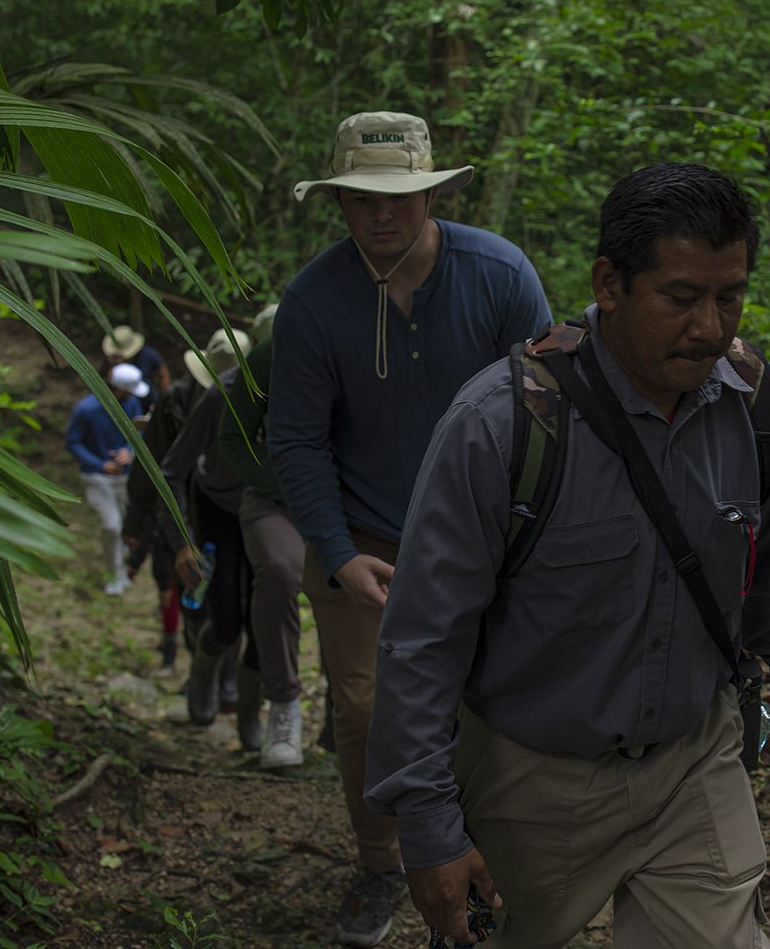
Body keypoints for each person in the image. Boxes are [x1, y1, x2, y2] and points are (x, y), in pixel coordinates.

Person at [365, 163, 770, 947]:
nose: (711, 328)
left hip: (693, 762)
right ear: (609, 283)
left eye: (729, 296)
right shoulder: (502, 424)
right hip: (530, 776)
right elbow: (422, 641)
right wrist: (429, 823)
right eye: (681, 299)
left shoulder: (753, 406)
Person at [268, 111, 551, 947]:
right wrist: (338, 551)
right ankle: (382, 861)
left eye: (398, 196)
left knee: (491, 707)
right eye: (361, 197)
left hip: (490, 532)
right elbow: (296, 438)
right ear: (340, 202)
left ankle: (485, 870)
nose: (381, 214)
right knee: (366, 710)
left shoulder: (499, 275)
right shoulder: (314, 302)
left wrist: (530, 540)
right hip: (366, 536)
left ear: (429, 193)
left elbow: (546, 407)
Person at [212, 302, 316, 767]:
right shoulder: (266, 360)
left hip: (352, 502)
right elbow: (231, 438)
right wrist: (281, 483)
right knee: (277, 572)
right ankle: (283, 706)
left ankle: (346, 724)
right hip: (277, 502)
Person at [150, 327, 254, 731]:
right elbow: (164, 470)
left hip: (259, 513)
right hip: (207, 512)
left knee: (254, 612)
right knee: (217, 607)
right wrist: (176, 539)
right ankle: (205, 675)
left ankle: (236, 690)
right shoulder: (184, 399)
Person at [123, 333, 213, 668]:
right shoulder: (174, 402)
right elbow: (150, 468)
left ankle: (212, 671)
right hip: (176, 511)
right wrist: (135, 523)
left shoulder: (247, 401)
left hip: (219, 508)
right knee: (184, 584)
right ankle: (193, 664)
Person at [66, 362, 149, 596]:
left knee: (125, 525)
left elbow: (138, 429)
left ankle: (123, 564)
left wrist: (129, 450)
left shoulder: (131, 403)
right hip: (97, 478)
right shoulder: (86, 409)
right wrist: (100, 464)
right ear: (118, 390)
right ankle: (115, 575)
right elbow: (72, 443)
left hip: (125, 478)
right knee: (111, 526)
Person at [104, 323, 171, 403]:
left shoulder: (148, 354)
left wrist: (163, 399)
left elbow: (164, 374)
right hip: (121, 401)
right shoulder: (111, 361)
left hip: (147, 397)